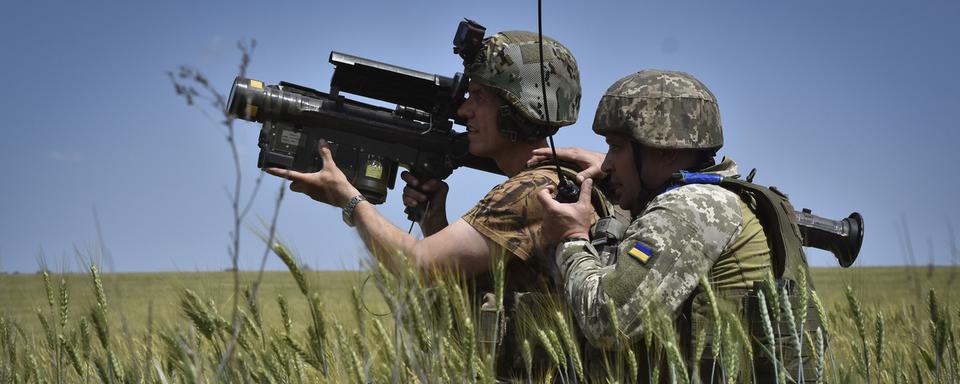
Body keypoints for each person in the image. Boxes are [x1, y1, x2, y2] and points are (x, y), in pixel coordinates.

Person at [267, 30, 597, 377]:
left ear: (517, 110)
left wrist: (348, 199)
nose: (465, 110)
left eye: (479, 97)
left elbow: (420, 268)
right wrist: (433, 222)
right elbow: (474, 286)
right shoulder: (555, 183)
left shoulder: (531, 192)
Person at [535, 69, 821, 382]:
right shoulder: (717, 195)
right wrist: (622, 177)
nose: (605, 164)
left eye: (616, 147)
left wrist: (572, 239)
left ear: (665, 150)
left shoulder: (688, 208)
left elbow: (607, 322)